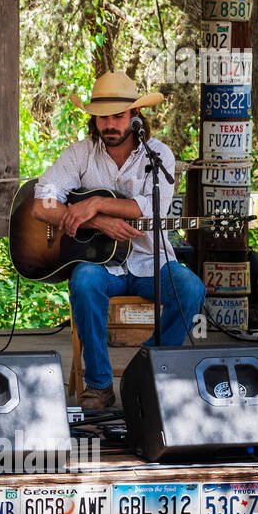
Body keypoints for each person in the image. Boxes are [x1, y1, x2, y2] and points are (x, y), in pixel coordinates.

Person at [31, 71, 206, 410]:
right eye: (102, 117)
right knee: (83, 283)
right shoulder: (80, 154)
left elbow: (150, 208)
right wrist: (98, 221)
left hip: (150, 259)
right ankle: (99, 384)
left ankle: (145, 369)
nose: (109, 124)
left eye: (118, 116)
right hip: (98, 261)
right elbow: (42, 204)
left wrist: (93, 203)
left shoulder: (159, 156)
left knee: (191, 290)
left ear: (135, 117)